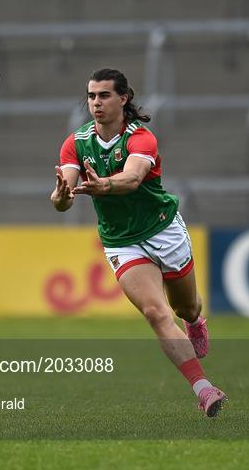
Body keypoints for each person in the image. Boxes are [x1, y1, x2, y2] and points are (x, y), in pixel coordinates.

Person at [51, 68, 227, 417]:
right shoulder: (76, 142)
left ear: (123, 98)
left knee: (185, 308)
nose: (96, 103)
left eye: (104, 96)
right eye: (91, 96)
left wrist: (106, 186)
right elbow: (64, 194)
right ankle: (204, 389)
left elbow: (132, 178)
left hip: (163, 230)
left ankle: (195, 321)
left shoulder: (140, 137)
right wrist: (59, 196)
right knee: (154, 312)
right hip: (121, 241)